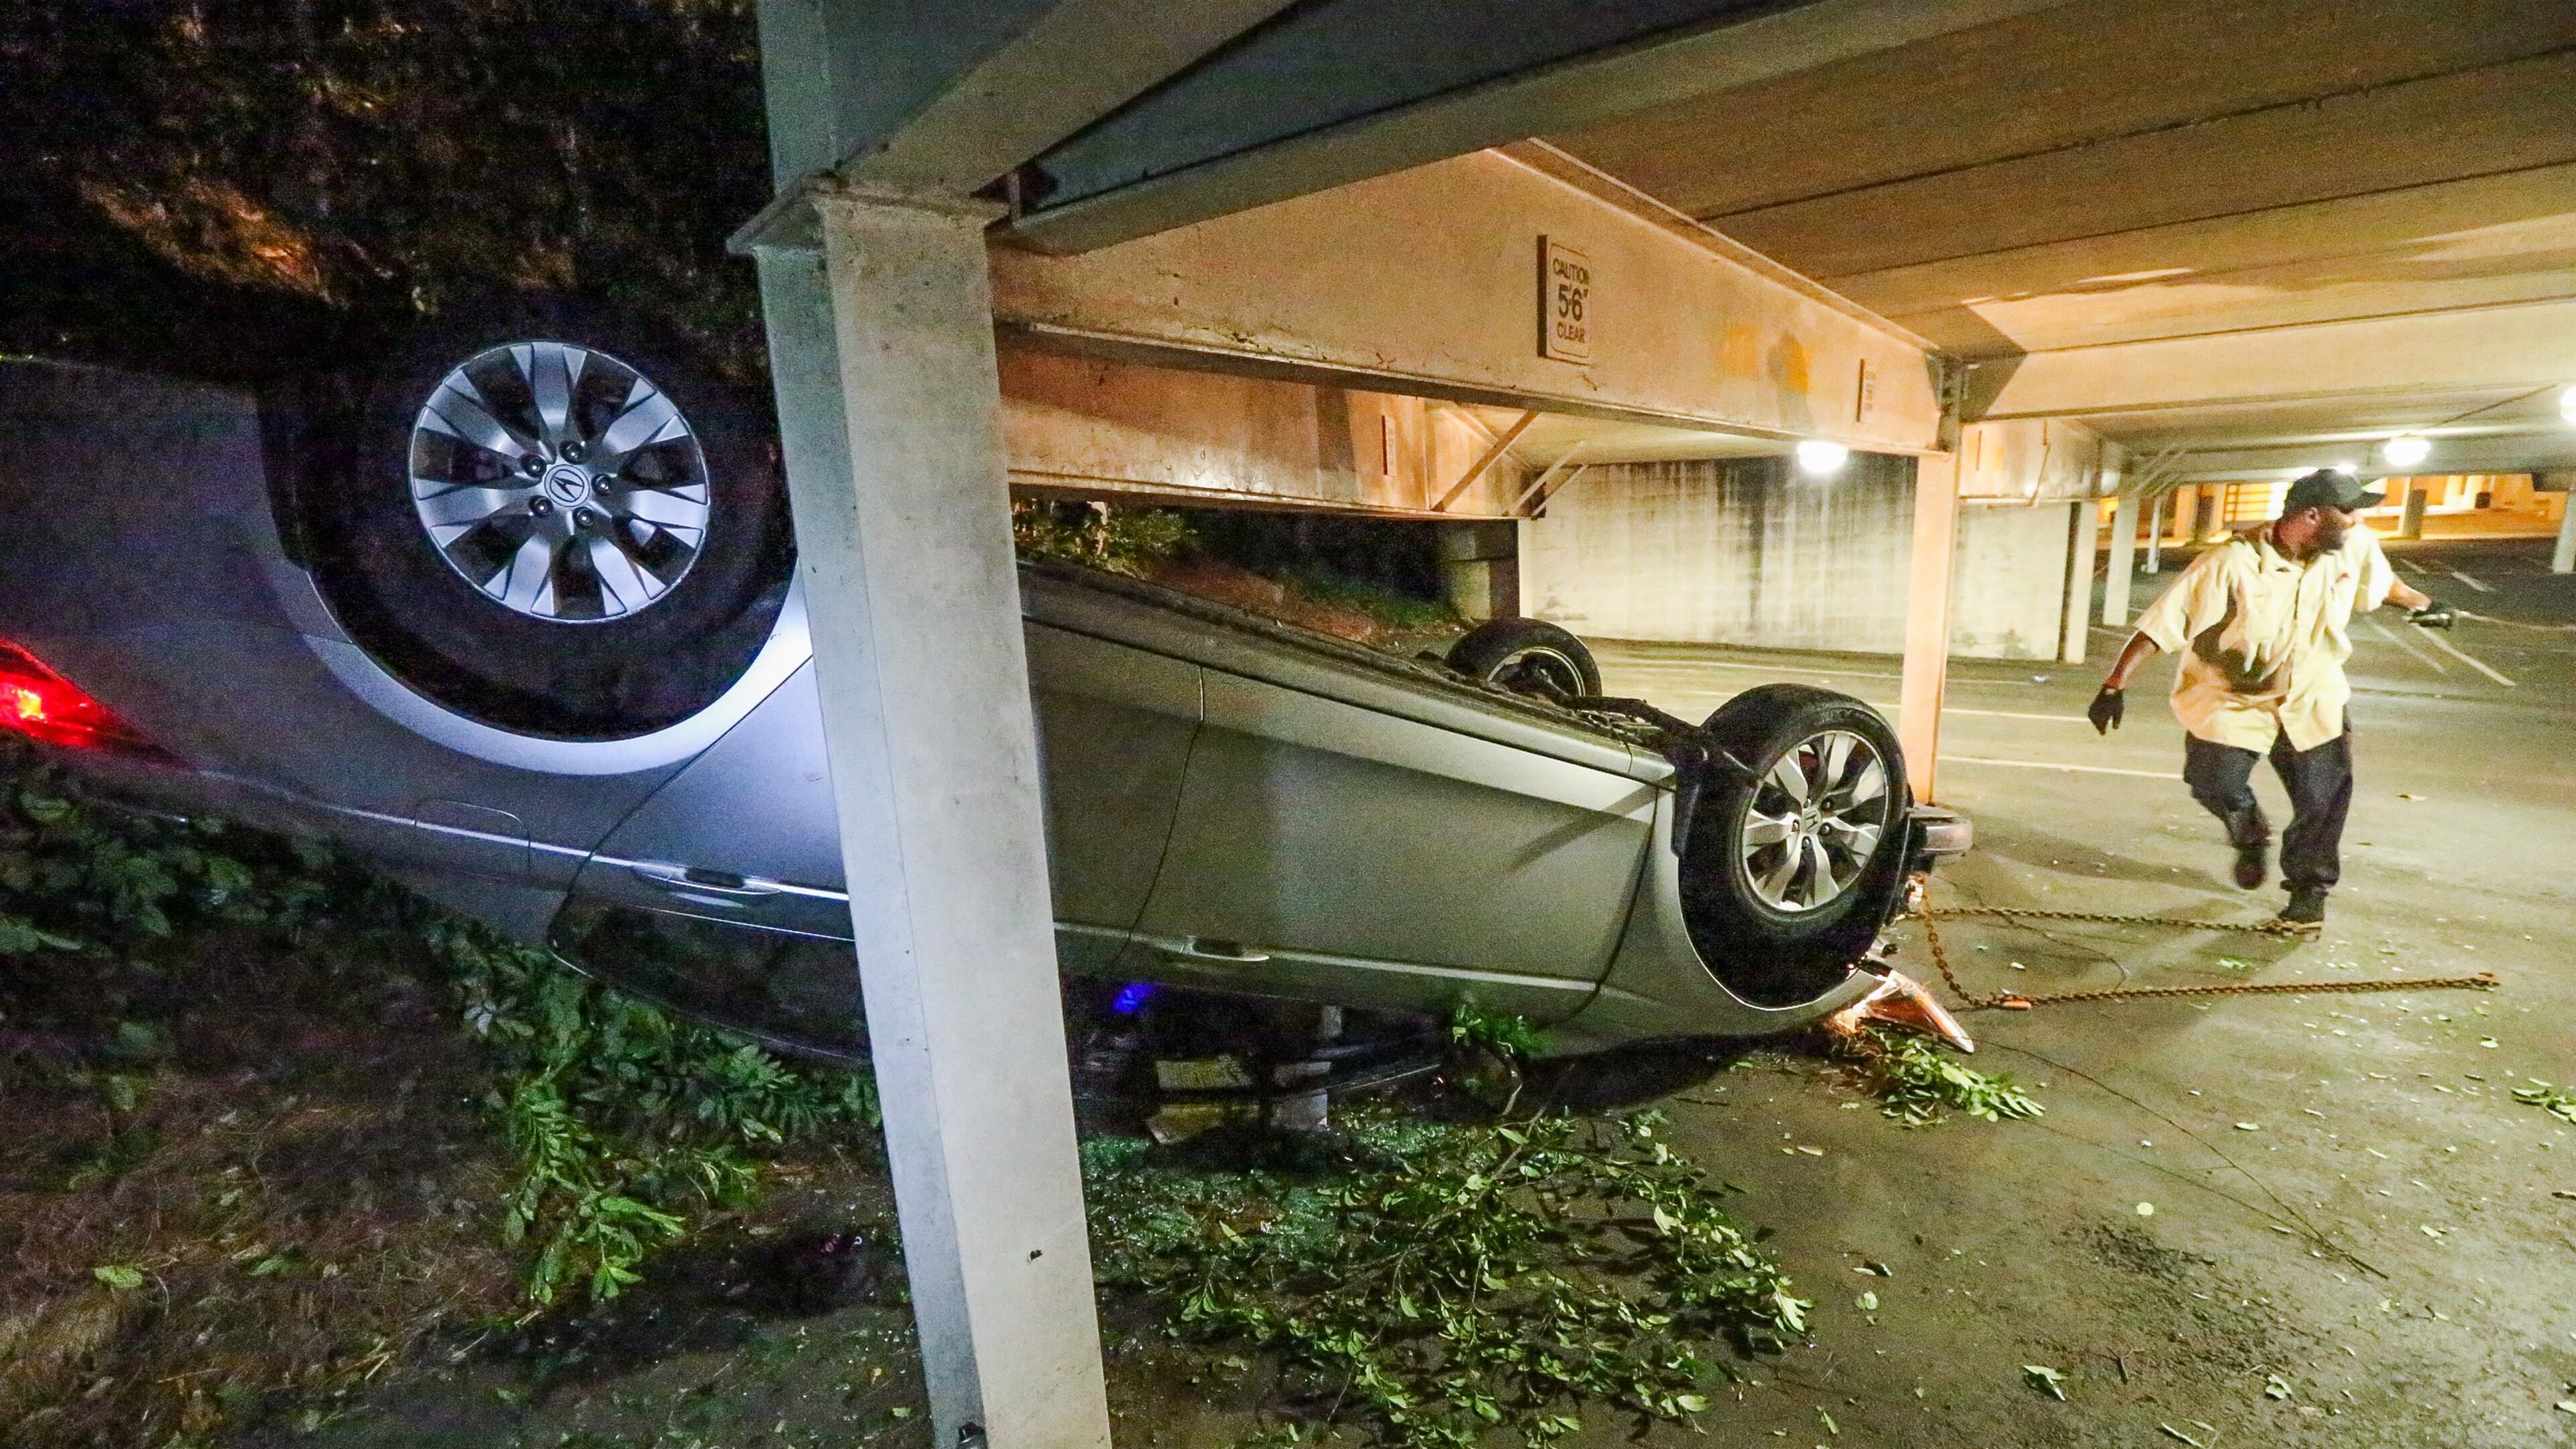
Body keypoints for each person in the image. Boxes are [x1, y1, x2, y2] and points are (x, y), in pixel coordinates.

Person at [2087, 470, 2455, 932]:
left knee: (2322, 799)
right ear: (2312, 515)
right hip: (2234, 697)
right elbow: (2164, 623)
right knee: (2213, 781)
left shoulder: (2353, 545)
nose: (2360, 520)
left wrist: (2425, 603)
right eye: (2350, 511)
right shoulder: (2231, 562)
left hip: (2313, 694)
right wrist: (2114, 684)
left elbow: (2385, 586)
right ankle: (2249, 831)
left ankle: (2308, 894)